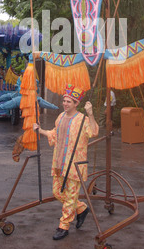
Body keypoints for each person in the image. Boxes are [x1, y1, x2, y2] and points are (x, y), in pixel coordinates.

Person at [33, 84, 99, 240]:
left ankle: (64, 226)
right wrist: (40, 130)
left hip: (75, 165)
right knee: (57, 193)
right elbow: (54, 135)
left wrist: (90, 114)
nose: (65, 103)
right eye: (64, 101)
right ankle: (81, 208)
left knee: (70, 197)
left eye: (69, 101)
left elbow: (93, 131)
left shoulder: (82, 120)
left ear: (76, 103)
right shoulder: (60, 117)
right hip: (59, 163)